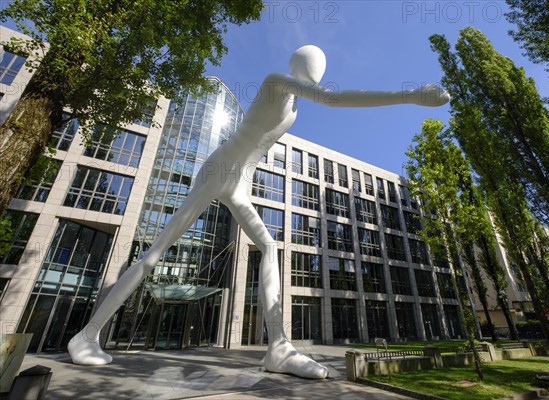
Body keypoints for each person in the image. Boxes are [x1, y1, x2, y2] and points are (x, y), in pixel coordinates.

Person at [67, 45, 449, 379]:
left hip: (240, 181)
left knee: (268, 247)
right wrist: (409, 95)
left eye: (319, 67)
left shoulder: (295, 107)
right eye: (312, 64)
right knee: (155, 254)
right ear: (299, 66)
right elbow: (334, 100)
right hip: (219, 170)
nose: (316, 72)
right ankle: (87, 334)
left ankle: (278, 348)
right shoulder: (275, 80)